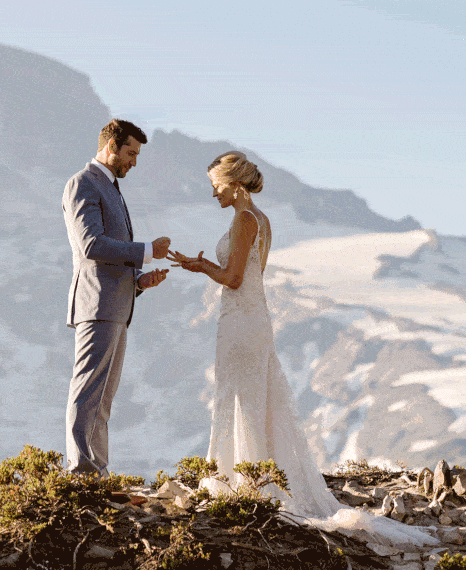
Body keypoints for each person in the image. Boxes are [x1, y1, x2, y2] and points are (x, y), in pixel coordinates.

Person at [168, 151, 436, 546]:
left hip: (240, 322)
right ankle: (254, 478)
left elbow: (236, 277)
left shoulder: (243, 219)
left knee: (240, 398)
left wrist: (200, 267)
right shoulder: (262, 220)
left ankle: (241, 484)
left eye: (216, 186)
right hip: (254, 318)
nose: (213, 194)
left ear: (234, 183)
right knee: (255, 399)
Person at [62, 119, 171, 477]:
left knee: (103, 400)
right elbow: (91, 245)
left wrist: (139, 281)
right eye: (130, 153)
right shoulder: (83, 183)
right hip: (97, 306)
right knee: (87, 392)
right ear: (111, 145)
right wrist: (146, 251)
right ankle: (81, 471)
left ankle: (98, 470)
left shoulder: (110, 187)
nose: (134, 162)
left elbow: (110, 256)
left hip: (117, 305)